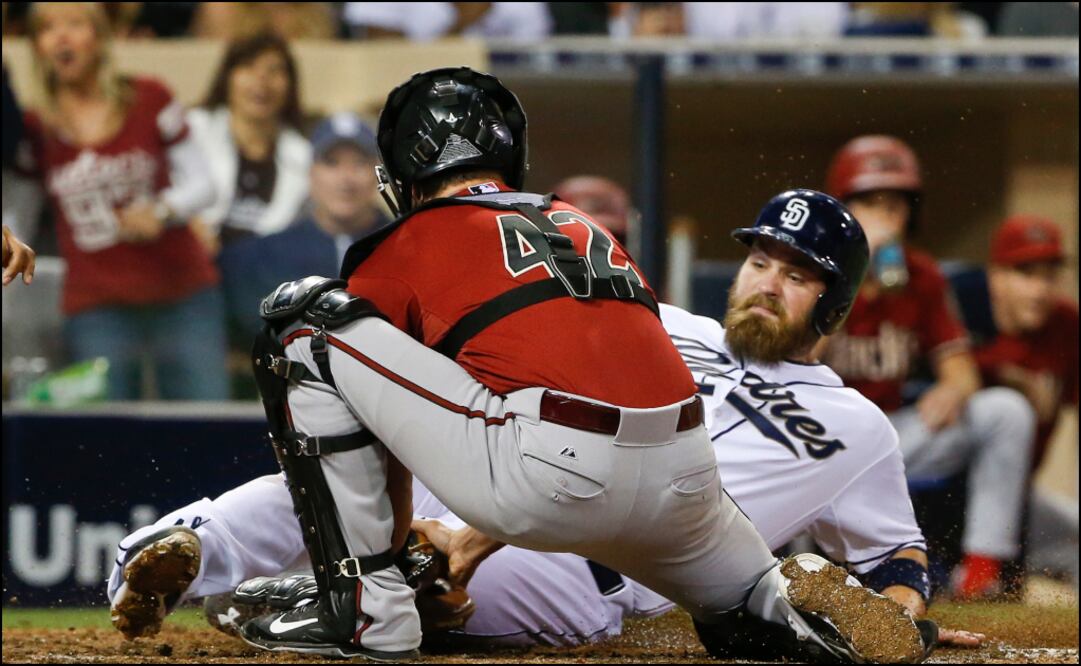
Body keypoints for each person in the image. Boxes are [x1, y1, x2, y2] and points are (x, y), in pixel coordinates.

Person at [108, 67, 928, 663]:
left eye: (796, 274)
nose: (766, 281)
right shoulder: (623, 276)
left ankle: (365, 603)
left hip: (559, 521)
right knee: (745, 608)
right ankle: (780, 607)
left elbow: (372, 405)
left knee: (305, 328)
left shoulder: (854, 422)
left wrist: (436, 534)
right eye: (760, 261)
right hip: (684, 502)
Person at [820, 135, 1037, 600]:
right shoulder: (815, 268)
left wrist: (953, 390)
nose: (886, 217)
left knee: (1003, 410)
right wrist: (852, 276)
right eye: (872, 204)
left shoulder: (920, 276)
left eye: (895, 206)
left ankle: (979, 576)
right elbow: (790, 361)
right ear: (842, 211)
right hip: (818, 438)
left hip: (891, 435)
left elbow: (962, 370)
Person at [11, 2, 225, 400]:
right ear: (36, 46)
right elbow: (19, 214)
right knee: (107, 438)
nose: (61, 37)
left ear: (100, 37)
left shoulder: (149, 96)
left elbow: (204, 184)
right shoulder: (36, 128)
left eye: (75, 24)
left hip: (181, 291)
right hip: (97, 304)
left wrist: (162, 211)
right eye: (47, 28)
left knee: (206, 421)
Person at [218, 112, 390, 339]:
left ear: (379, 174)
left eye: (359, 163)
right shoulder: (263, 256)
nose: (346, 179)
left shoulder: (408, 247)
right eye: (331, 163)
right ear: (311, 173)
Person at [978, 216, 1078, 586]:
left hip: (1022, 502)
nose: (1039, 290)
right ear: (996, 277)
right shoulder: (964, 322)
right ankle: (977, 574)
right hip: (948, 502)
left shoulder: (1066, 326)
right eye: (1025, 273)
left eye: (1048, 276)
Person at [187, 33, 310, 250]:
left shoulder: (305, 154)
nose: (261, 79)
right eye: (249, 66)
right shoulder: (193, 129)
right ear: (227, 77)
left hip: (270, 270)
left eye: (274, 70)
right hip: (195, 261)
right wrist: (188, 224)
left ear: (290, 86)